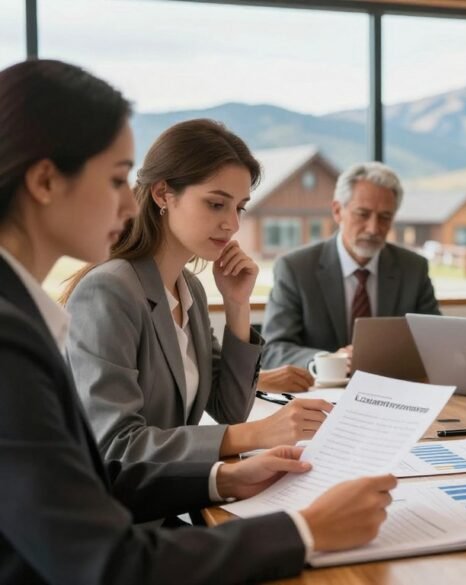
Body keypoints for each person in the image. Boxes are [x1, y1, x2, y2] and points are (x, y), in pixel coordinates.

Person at [0, 59, 395, 584]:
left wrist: (222, 478)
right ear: (46, 179)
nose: (127, 201)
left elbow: (103, 475)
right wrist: (304, 529)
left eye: (240, 207)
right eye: (118, 179)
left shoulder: (184, 287)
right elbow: (107, 511)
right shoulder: (50, 318)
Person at [63, 118, 332, 464]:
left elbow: (230, 410)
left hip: (169, 496)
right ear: (163, 193)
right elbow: (117, 446)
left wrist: (237, 304)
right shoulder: (109, 291)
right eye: (216, 204)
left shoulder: (188, 288)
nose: (233, 224)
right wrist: (258, 433)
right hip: (118, 511)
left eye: (240, 208)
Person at [262, 162, 441, 368]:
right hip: (318, 392)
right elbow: (273, 350)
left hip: (390, 388)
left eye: (385, 217)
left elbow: (435, 343)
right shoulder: (296, 268)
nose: (373, 228)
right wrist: (330, 362)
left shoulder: (413, 268)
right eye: (363, 214)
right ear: (338, 211)